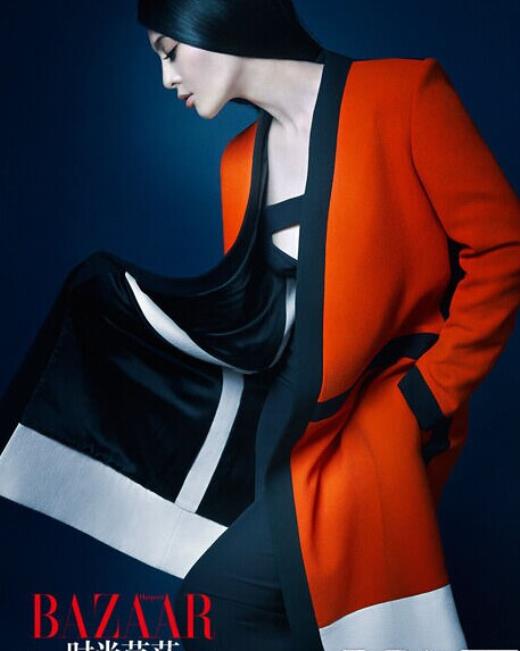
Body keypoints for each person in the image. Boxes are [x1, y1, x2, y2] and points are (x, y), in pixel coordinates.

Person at [1, 1, 519, 650]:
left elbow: (504, 249)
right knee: (292, 626)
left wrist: (423, 398)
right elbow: (262, 330)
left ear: (216, 16)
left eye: (169, 52)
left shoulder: (405, 95)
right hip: (281, 433)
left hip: (369, 432)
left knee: (219, 608)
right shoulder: (239, 163)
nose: (166, 78)